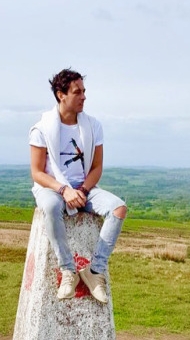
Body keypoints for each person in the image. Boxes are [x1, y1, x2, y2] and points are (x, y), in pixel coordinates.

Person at [29, 68, 127, 304]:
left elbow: (96, 168)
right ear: (61, 94)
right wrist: (64, 190)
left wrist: (81, 191)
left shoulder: (94, 127)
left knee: (118, 209)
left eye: (84, 91)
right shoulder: (41, 128)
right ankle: (68, 271)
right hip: (52, 189)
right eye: (77, 92)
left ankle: (94, 271)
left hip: (84, 189)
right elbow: (37, 173)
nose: (84, 97)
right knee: (51, 208)